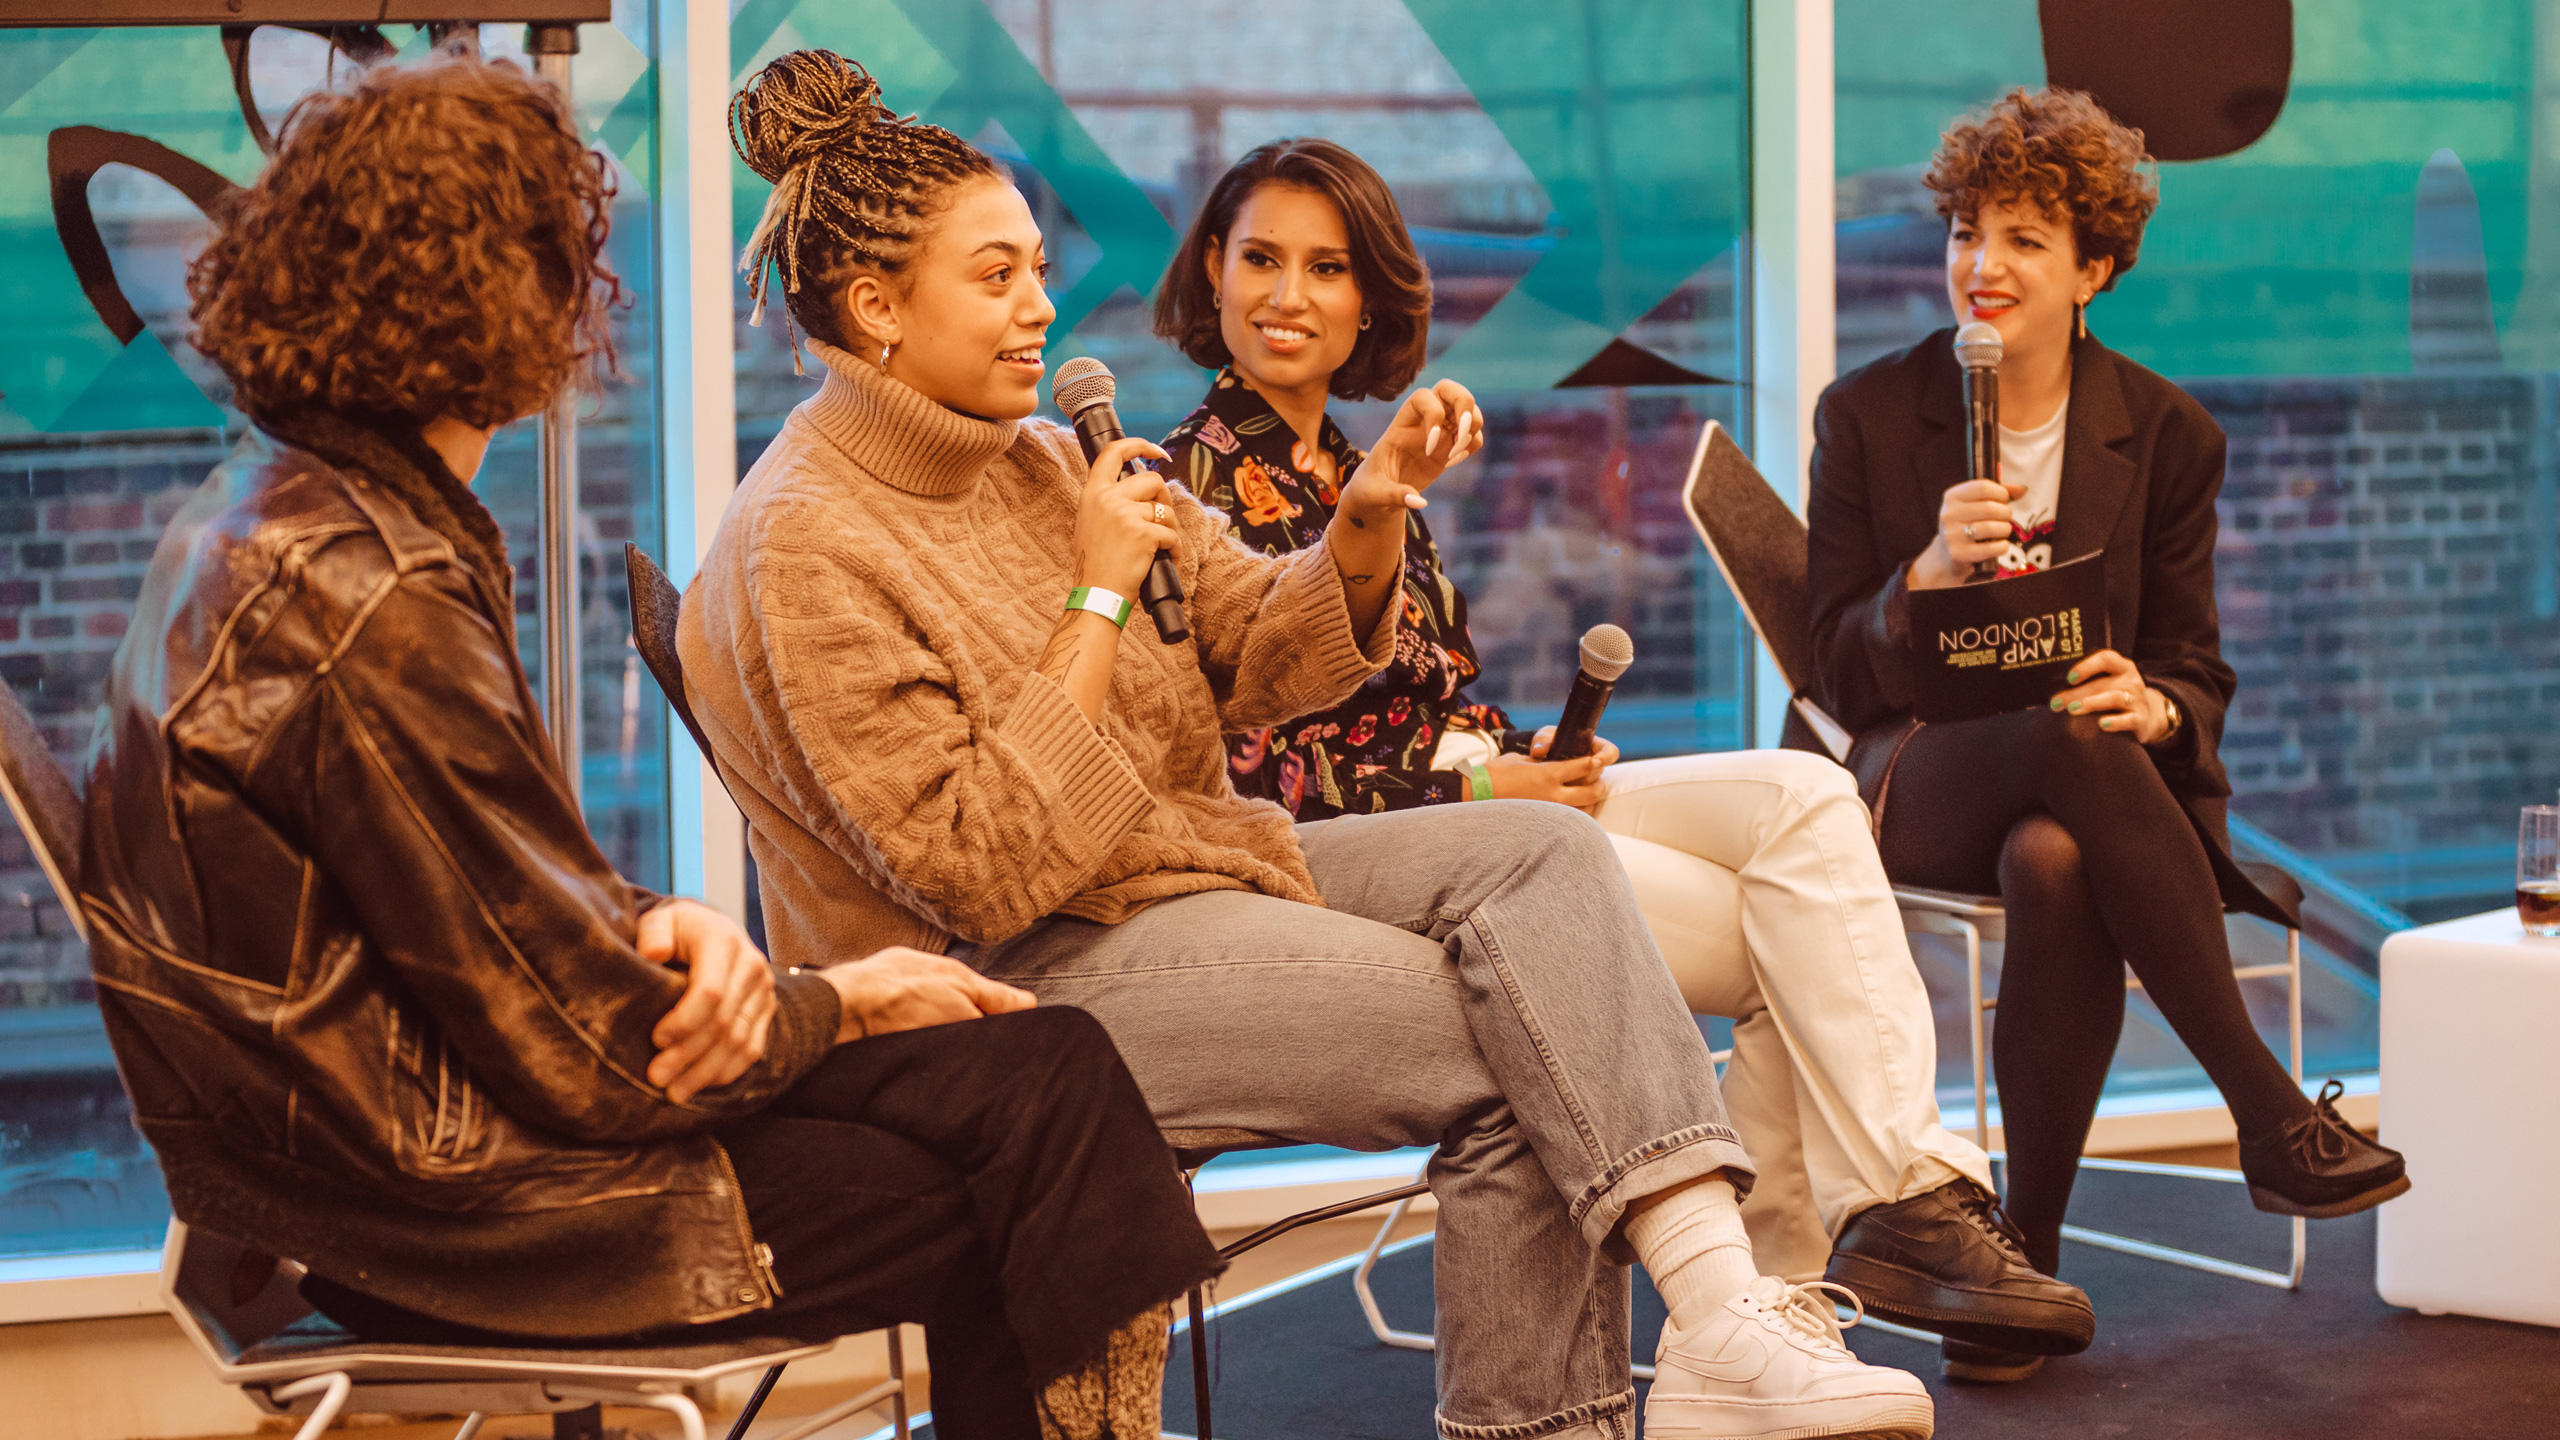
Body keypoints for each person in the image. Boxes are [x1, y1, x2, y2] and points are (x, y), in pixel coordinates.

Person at [685, 47, 1937, 1440]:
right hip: (1006, 983)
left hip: (1181, 880)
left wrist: (1366, 521)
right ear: (873, 307)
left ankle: (1712, 1328)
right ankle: (1619, 1388)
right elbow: (976, 876)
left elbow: (1254, 648)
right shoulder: (802, 541)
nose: (1045, 307)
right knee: (1532, 1042)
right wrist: (1096, 597)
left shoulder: (1038, 458)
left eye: (1039, 266)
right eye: (998, 278)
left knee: (1543, 851)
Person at [82, 53, 1216, 1440]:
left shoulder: (272, 519)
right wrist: (832, 1003)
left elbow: (475, 907)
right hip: (468, 1213)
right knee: (1026, 1173)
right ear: (512, 295)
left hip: (367, 1165)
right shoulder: (368, 593)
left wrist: (670, 928)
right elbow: (574, 1042)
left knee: (1039, 1069)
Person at [1151, 135, 2093, 1374]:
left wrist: (1522, 752)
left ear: (1367, 299)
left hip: (1482, 796)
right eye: (1260, 258)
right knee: (1778, 936)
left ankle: (1873, 1231)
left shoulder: (1370, 466)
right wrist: (1471, 780)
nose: (1288, 295)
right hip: (1363, 859)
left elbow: (1423, 700)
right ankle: (1797, 1301)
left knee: (1808, 799)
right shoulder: (1176, 483)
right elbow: (1230, 761)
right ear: (1209, 271)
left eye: (1325, 269)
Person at [1804, 86, 2408, 1379]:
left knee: (2062, 848)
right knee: (2069, 753)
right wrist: (1919, 577)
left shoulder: (2169, 434)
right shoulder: (1867, 413)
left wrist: (2162, 703)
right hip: (1911, 774)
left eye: (2026, 237)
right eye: (1969, 230)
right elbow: (1830, 669)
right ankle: (2271, 1114)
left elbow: (2194, 658)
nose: (1984, 264)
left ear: (2096, 269)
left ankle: (2020, 1268)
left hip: (2078, 800)